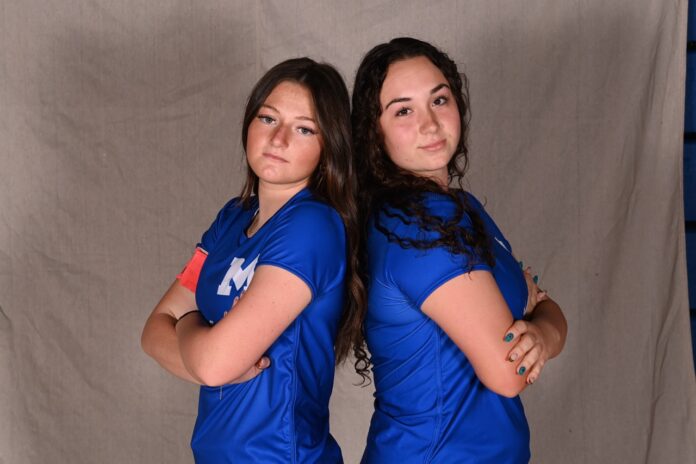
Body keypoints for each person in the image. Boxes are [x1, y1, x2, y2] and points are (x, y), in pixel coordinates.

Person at [351, 37, 568, 463]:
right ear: (374, 133)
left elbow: (543, 306)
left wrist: (542, 330)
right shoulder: (414, 222)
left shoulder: (459, 210)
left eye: (439, 99)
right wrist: (538, 323)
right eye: (403, 110)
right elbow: (509, 371)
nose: (429, 124)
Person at [141, 57, 367, 463]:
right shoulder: (233, 217)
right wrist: (211, 351)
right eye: (268, 119)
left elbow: (209, 362)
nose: (279, 139)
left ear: (328, 145)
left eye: (304, 128)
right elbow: (154, 333)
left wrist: (192, 324)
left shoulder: (312, 225)